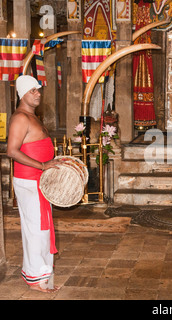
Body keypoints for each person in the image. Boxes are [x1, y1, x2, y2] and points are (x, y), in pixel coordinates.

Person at [7, 75, 61, 293]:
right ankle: (36, 278)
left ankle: (42, 274)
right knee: (36, 230)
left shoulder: (32, 116)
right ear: (22, 93)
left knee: (43, 228)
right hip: (29, 180)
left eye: (38, 90)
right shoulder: (20, 117)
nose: (38, 93)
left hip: (38, 180)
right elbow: (12, 151)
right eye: (33, 91)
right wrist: (42, 165)